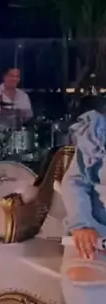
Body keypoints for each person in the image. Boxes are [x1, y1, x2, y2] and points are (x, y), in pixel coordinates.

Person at [61, 109, 106, 303]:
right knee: (84, 283)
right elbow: (75, 183)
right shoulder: (98, 133)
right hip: (97, 230)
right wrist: (82, 225)